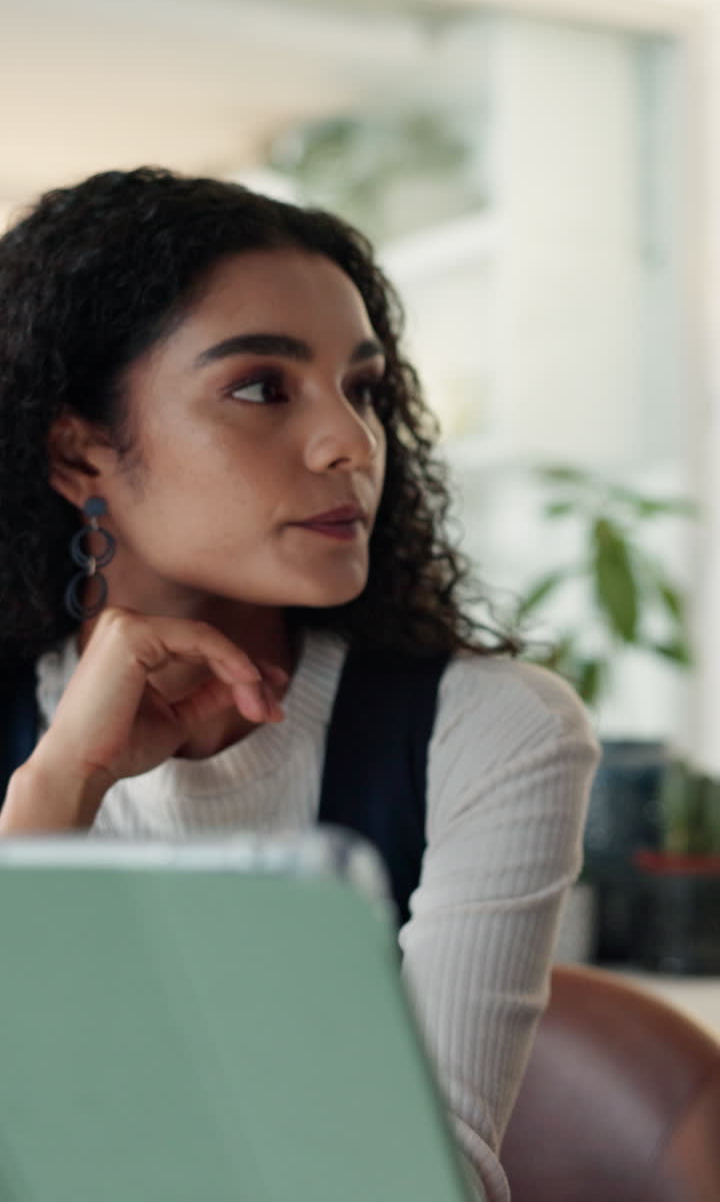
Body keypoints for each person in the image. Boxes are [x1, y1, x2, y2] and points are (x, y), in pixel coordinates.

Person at [0, 167, 599, 1201]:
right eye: (261, 388)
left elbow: (425, 1179)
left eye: (361, 390)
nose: (350, 442)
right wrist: (58, 792)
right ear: (77, 448)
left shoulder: (484, 732)